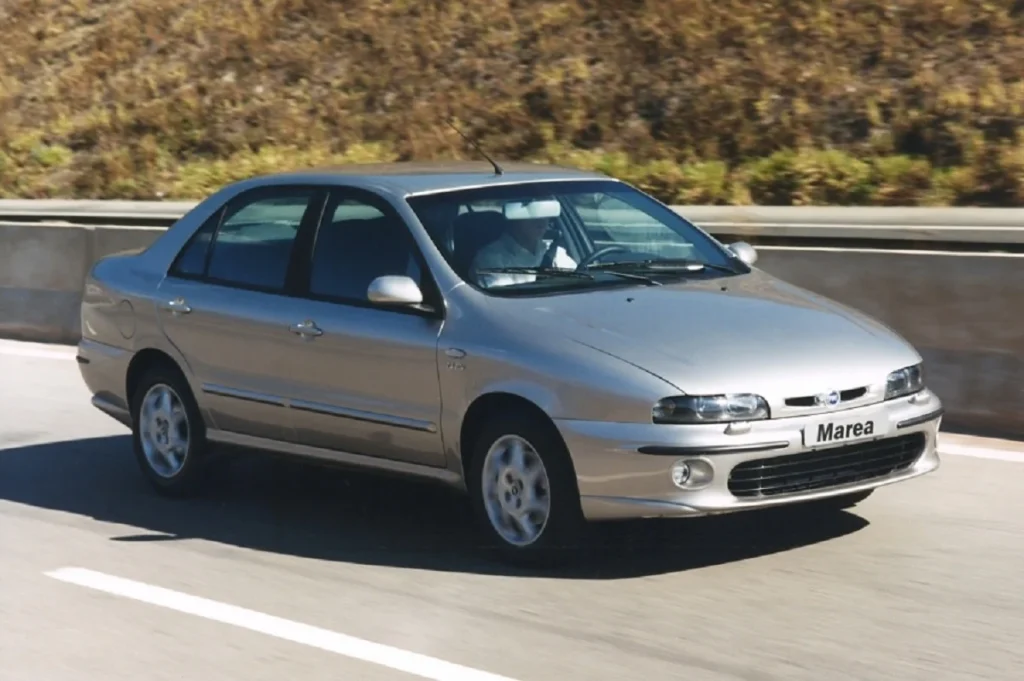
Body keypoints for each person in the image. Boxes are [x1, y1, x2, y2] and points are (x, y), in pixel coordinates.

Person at [469, 214, 577, 288]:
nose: (541, 220)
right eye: (532, 213)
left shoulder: (555, 254)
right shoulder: (490, 258)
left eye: (545, 213)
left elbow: (578, 283)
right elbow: (503, 305)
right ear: (515, 218)